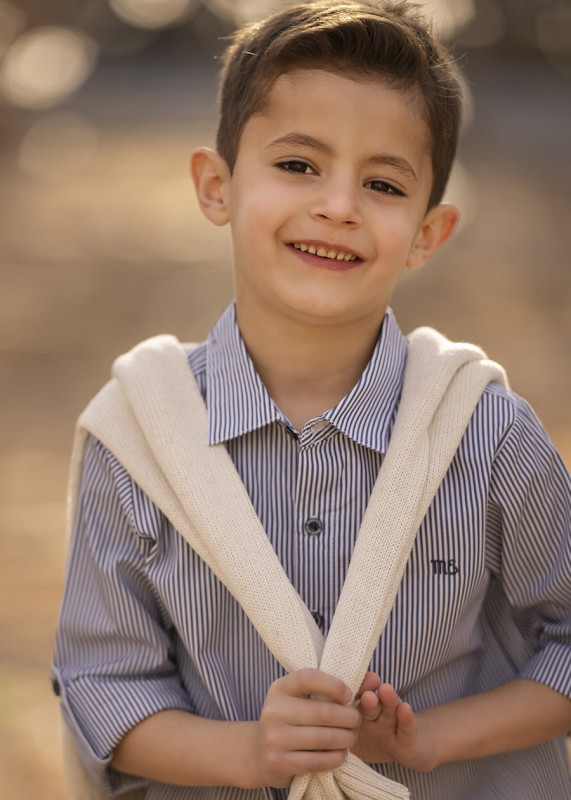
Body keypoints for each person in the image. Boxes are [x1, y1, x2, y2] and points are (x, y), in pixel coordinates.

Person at [51, 1, 571, 799]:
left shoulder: (485, 433)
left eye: (383, 183)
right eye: (298, 165)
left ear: (428, 234)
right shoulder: (138, 438)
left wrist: (431, 738)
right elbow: (102, 688)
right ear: (216, 186)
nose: (338, 205)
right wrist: (251, 753)